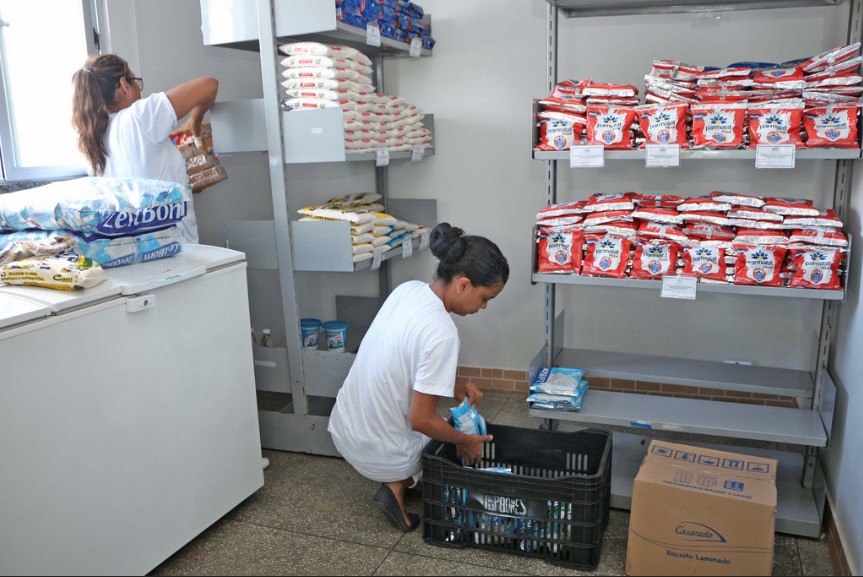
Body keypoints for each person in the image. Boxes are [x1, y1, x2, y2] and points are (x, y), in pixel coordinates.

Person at [328, 222, 510, 532]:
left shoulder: (408, 290)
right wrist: (467, 441)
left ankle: (404, 474)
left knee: (438, 425)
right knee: (445, 438)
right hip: (373, 449)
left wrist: (451, 387)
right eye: (484, 298)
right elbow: (421, 421)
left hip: (344, 425)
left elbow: (404, 362)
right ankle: (396, 486)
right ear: (463, 285)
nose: (485, 307)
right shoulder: (443, 333)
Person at [71, 53, 218, 245]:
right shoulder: (139, 117)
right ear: (124, 85)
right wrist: (195, 120)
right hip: (177, 254)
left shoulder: (90, 142)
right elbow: (210, 85)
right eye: (135, 81)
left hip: (136, 255)